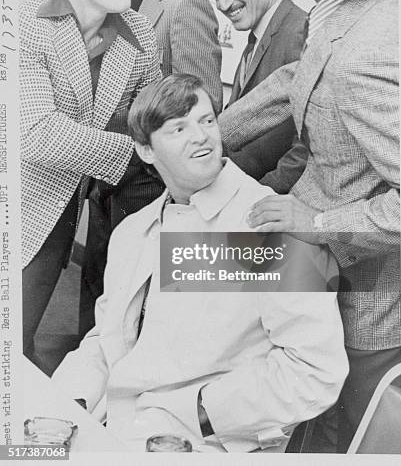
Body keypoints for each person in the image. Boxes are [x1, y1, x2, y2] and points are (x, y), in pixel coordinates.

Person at [53, 74, 348, 453]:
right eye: (178, 128)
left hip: (200, 443)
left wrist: (201, 411)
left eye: (207, 120)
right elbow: (107, 337)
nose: (202, 137)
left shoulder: (271, 226)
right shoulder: (133, 231)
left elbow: (315, 371)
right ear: (146, 150)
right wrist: (70, 400)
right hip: (113, 424)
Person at [218, 0, 400, 451]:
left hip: (369, 298)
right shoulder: (352, 3)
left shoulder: (369, 53)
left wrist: (313, 223)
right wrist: (208, 132)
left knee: (352, 435)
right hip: (320, 270)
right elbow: (300, 76)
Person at [20, 0, 161, 366]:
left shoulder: (137, 32)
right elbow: (36, 133)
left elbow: (153, 115)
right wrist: (143, 151)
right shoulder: (22, 22)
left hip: (67, 207)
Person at [79, 0, 223, 336]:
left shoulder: (183, 4)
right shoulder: (115, 4)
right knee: (102, 299)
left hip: (150, 188)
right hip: (109, 177)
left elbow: (201, 105)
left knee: (137, 313)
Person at [204, 0, 307, 193]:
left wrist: (259, 196)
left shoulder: (300, 33)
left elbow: (308, 149)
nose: (224, 4)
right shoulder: (259, 33)